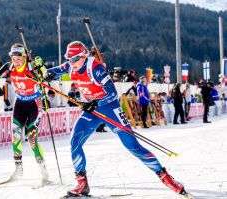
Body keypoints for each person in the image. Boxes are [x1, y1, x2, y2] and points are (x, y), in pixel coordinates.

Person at [45, 41, 187, 197]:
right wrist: (45, 73)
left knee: (133, 146)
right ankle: (82, 183)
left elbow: (112, 93)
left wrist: (95, 103)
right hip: (91, 110)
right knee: (75, 141)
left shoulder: (96, 69)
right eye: (68, 59)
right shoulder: (71, 66)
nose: (71, 63)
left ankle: (165, 177)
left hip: (109, 108)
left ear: (83, 56)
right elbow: (57, 70)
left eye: (74, 59)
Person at [0, 43, 50, 184]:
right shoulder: (9, 67)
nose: (16, 61)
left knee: (32, 140)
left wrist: (41, 66)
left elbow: (46, 76)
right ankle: (18, 169)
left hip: (34, 105)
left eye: (19, 58)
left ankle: (44, 171)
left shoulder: (31, 66)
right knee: (16, 137)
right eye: (14, 58)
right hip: (19, 104)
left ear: (25, 57)